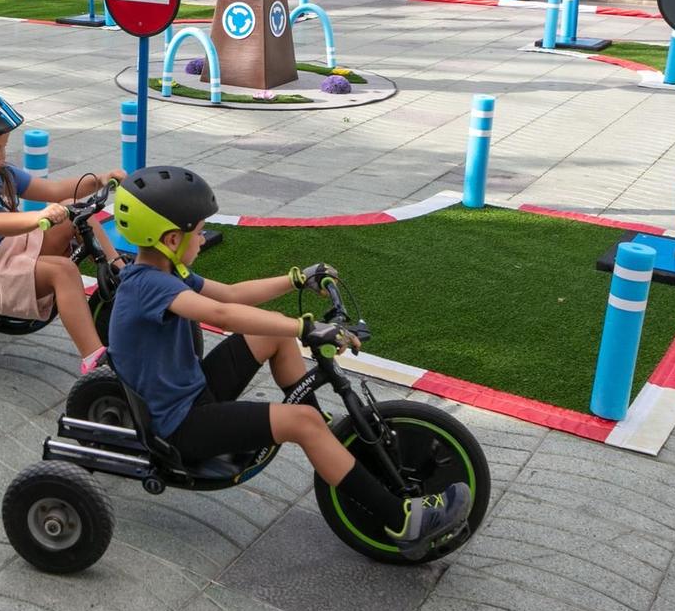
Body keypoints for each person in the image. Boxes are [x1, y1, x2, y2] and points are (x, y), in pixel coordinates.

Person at [104, 166, 473, 559]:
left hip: (192, 391)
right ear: (171, 239)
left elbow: (230, 295)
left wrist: (295, 278)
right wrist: (304, 327)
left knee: (273, 335)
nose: (202, 238)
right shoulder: (149, 285)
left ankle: (325, 440)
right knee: (303, 422)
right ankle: (403, 522)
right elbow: (221, 315)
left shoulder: (165, 271)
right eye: (199, 231)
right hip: (179, 426)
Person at [0, 92, 122, 370]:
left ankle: (120, 273)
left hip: (12, 250)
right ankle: (94, 359)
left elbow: (54, 190)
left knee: (76, 211)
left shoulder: (0, 174)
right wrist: (39, 216)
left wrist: (99, 179)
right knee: (64, 271)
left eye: (3, 148)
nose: (1, 156)